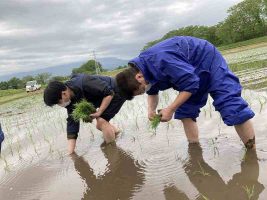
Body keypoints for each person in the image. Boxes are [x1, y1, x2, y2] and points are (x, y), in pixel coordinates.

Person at [116, 36, 256, 149]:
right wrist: (150, 110)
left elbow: (190, 83)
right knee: (186, 111)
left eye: (141, 90)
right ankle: (195, 149)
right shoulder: (144, 72)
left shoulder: (162, 59)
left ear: (138, 77)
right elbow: (152, 92)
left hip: (206, 58)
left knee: (230, 105)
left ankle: (252, 152)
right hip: (188, 71)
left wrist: (170, 109)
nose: (143, 91)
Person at [44, 73, 126, 154]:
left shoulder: (84, 82)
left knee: (101, 121)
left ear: (64, 93)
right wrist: (70, 153)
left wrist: (99, 112)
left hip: (117, 90)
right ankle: (116, 132)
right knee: (99, 125)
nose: (60, 105)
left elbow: (109, 93)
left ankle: (112, 152)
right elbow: (72, 123)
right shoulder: (70, 101)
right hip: (105, 96)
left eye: (58, 102)